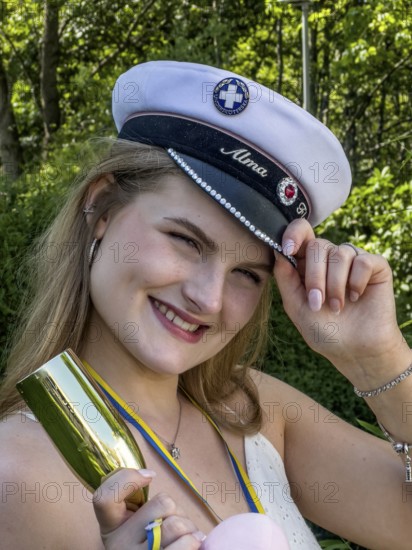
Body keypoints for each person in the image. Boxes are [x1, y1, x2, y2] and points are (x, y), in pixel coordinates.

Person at [0, 60, 411, 550]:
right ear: (101, 206)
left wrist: (378, 360)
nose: (208, 298)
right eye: (185, 241)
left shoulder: (253, 409)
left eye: (246, 273)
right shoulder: (20, 474)